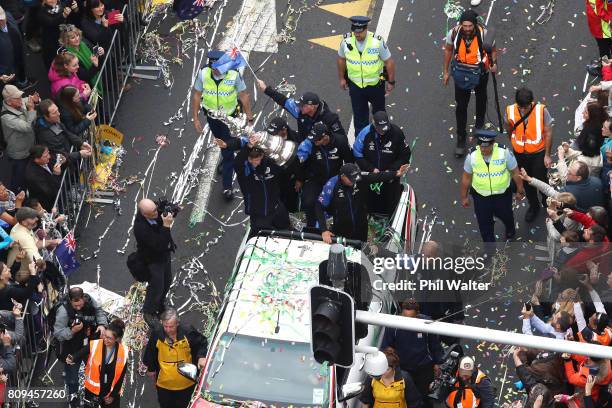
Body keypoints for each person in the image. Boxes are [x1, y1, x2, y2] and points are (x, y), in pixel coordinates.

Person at [191, 50, 254, 200]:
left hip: (229, 119)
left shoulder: (234, 75)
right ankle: (226, 157)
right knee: (222, 144)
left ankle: (227, 187)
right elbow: (197, 95)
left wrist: (249, 116)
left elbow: (243, 96)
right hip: (212, 118)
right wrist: (195, 117)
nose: (215, 71)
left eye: (218, 68)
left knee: (227, 149)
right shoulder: (203, 73)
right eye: (213, 68)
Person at [443, 9, 497, 157]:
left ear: (474, 24)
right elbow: (448, 50)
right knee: (461, 106)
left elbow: (493, 50)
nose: (467, 29)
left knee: (481, 100)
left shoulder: (484, 34)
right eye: (464, 26)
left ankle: (479, 128)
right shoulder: (453, 33)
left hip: (480, 73)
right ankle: (461, 137)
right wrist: (446, 72)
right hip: (461, 74)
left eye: (469, 26)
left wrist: (494, 63)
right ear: (461, 24)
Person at [460, 130, 525, 248]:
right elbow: (466, 177)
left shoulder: (504, 152)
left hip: (502, 196)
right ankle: (490, 249)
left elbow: (515, 172)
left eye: (486, 146)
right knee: (484, 225)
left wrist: (520, 190)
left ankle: (510, 229)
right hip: (481, 197)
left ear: (493, 143)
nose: (483, 149)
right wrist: (464, 197)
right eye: (480, 146)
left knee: (506, 215)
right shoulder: (472, 156)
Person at [316, 162, 409, 242]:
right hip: (341, 228)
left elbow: (377, 176)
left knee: (361, 254)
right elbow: (319, 206)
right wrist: (324, 230)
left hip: (361, 225)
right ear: (343, 176)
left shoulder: (358, 177)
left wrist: (396, 173)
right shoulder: (331, 185)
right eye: (351, 179)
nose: (354, 182)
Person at [337, 16, 395, 135]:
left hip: (375, 86)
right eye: (354, 31)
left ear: (366, 29)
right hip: (356, 86)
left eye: (360, 32)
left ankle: (383, 137)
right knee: (359, 117)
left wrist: (391, 81)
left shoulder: (377, 42)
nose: (357, 35)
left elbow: (389, 62)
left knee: (379, 114)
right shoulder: (346, 41)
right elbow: (341, 59)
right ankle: (362, 143)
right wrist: (342, 78)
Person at [380, 299, 444, 407]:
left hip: (423, 368)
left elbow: (434, 345)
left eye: (411, 319)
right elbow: (385, 346)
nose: (407, 322)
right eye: (405, 318)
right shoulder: (392, 325)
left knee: (424, 396)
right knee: (403, 396)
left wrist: (437, 364)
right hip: (402, 368)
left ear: (418, 314)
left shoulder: (427, 323)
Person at [504, 87, 554, 222]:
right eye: (521, 107)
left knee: (541, 179)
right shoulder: (510, 110)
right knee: (526, 181)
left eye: (526, 107)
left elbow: (548, 132)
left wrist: (547, 155)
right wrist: (514, 142)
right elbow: (508, 127)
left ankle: (547, 201)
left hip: (538, 153)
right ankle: (534, 206)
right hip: (520, 154)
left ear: (531, 102)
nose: (523, 110)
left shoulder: (542, 110)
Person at [53, 287, 108, 407]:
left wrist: (102, 324)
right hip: (70, 348)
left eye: (80, 305)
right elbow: (57, 334)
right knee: (72, 377)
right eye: (75, 306)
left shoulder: (89, 300)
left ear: (83, 298)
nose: (78, 308)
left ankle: (91, 393)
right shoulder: (63, 311)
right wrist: (72, 330)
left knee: (94, 368)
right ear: (70, 300)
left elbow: (99, 310)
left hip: (87, 343)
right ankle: (73, 395)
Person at [143, 309, 208, 408]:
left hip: (187, 382)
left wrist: (201, 357)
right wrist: (151, 368)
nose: (168, 330)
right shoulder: (157, 334)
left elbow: (201, 343)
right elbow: (151, 351)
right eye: (165, 326)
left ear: (177, 323)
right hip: (164, 384)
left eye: (171, 327)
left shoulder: (188, 331)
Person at [353, 111, 411, 215]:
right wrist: (370, 168)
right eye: (380, 129)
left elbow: (405, 155)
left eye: (385, 128)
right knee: (368, 199)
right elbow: (357, 153)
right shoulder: (365, 133)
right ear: (374, 123)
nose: (383, 132)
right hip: (371, 175)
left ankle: (390, 219)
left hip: (390, 175)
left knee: (391, 200)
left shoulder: (397, 133)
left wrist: (391, 170)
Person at [297, 122, 353, 227]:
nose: (314, 142)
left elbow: (349, 161)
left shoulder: (340, 141)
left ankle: (334, 225)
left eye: (316, 140)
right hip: (316, 179)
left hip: (335, 180)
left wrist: (347, 178)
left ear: (325, 137)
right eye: (312, 139)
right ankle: (311, 225)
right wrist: (300, 179)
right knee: (308, 202)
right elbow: (301, 163)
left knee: (338, 203)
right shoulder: (310, 144)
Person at [256, 78, 346, 143]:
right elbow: (284, 101)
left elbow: (342, 138)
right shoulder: (300, 111)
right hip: (303, 141)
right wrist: (266, 89)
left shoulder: (330, 119)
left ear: (313, 107)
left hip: (321, 148)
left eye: (303, 106)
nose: (299, 107)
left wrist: (327, 139)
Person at [67, 319, 128, 408]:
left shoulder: (124, 352)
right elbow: (81, 353)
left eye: (109, 338)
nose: (105, 339)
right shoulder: (95, 344)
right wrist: (72, 358)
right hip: (93, 391)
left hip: (110, 392)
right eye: (105, 336)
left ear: (117, 339)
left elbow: (121, 377)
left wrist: (112, 396)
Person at [134, 198, 176, 327]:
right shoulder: (141, 229)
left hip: (164, 255)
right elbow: (159, 245)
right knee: (156, 286)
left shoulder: (154, 210)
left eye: (156, 208)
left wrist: (173, 210)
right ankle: (149, 311)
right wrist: (166, 225)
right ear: (144, 214)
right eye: (153, 211)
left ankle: (160, 303)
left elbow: (163, 211)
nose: (156, 212)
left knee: (167, 281)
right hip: (153, 259)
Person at [234, 143, 290, 238]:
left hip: (276, 207)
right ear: (249, 159)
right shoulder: (244, 171)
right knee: (257, 238)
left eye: (260, 159)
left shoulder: (270, 163)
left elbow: (283, 170)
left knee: (287, 231)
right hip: (259, 214)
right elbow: (237, 163)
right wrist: (248, 146)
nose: (258, 163)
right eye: (255, 160)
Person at [1, 84, 39, 192]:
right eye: (17, 98)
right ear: (9, 102)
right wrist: (31, 109)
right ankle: (16, 201)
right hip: (19, 155)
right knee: (19, 179)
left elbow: (30, 99)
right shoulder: (6, 117)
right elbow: (27, 127)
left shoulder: (17, 102)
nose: (20, 100)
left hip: (29, 147)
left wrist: (36, 99)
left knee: (30, 174)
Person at [359, 347, 424, 408]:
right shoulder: (372, 377)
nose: (382, 372)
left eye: (386, 369)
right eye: (380, 368)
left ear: (394, 367)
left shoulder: (405, 378)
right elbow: (365, 401)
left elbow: (414, 402)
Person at [33, 99, 93, 164]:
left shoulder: (54, 121)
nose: (58, 114)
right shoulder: (46, 135)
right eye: (54, 113)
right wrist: (79, 154)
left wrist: (81, 143)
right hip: (63, 165)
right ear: (45, 116)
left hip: (70, 155)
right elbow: (60, 156)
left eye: (57, 110)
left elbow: (67, 133)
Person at [7, 207, 60, 273]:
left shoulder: (23, 225)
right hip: (20, 274)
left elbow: (36, 243)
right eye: (33, 218)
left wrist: (53, 241)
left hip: (26, 269)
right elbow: (37, 261)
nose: (37, 219)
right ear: (24, 222)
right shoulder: (23, 236)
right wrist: (42, 264)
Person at [59, 24, 104, 95]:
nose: (77, 39)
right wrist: (94, 65)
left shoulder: (83, 42)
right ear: (67, 40)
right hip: (85, 86)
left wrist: (100, 52)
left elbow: (96, 53)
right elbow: (84, 76)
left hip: (96, 76)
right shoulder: (69, 55)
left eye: (77, 35)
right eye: (73, 38)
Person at [24, 145, 63, 211]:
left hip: (57, 199)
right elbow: (49, 191)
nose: (49, 157)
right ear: (36, 159)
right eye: (45, 156)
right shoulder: (32, 175)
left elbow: (61, 155)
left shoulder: (45, 159)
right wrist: (56, 175)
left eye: (48, 153)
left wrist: (64, 160)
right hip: (47, 204)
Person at [0, 7, 30, 90]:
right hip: (6, 71)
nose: (2, 21)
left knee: (20, 67)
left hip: (17, 54)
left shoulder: (9, 16)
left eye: (3, 18)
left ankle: (23, 82)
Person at [37, 0, 71, 68]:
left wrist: (75, 9)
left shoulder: (61, 4)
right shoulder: (41, 11)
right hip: (50, 39)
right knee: (52, 58)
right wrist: (63, 15)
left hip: (62, 36)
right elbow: (51, 22)